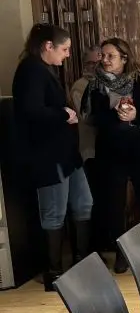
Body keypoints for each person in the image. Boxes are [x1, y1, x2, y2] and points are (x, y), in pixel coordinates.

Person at [12, 23, 93, 290]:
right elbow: (30, 111)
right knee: (54, 213)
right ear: (48, 46)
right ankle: (54, 274)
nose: (68, 54)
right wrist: (64, 114)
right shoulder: (30, 70)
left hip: (66, 155)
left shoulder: (42, 69)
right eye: (65, 49)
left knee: (83, 203)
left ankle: (81, 262)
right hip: (49, 157)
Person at [81, 38, 140, 273]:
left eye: (110, 56)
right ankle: (121, 252)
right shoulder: (95, 85)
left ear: (124, 59)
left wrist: (136, 115)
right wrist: (114, 115)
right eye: (103, 56)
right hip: (111, 151)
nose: (104, 60)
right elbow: (89, 117)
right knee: (114, 204)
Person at [70, 44, 102, 178]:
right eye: (91, 63)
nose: (95, 66)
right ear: (85, 65)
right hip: (92, 149)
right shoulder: (80, 86)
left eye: (98, 62)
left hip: (108, 148)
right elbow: (87, 116)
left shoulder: (106, 82)